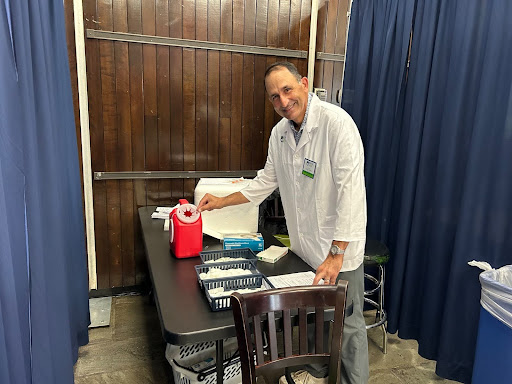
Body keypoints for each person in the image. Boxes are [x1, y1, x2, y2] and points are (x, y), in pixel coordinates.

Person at [197, 61, 369, 384]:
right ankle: (319, 373)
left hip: (339, 254)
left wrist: (337, 252)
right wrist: (220, 202)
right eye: (274, 97)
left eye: (287, 89)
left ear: (304, 83)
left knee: (347, 328)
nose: (283, 100)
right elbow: (263, 183)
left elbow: (351, 194)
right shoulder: (280, 135)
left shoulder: (337, 125)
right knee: (315, 322)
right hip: (306, 251)